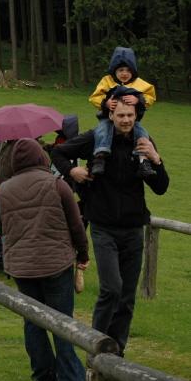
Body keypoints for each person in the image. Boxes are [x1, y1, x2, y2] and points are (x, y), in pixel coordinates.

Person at [51, 93, 169, 357]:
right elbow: (58, 152)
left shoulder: (143, 141)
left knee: (126, 297)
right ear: (111, 115)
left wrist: (156, 159)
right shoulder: (96, 138)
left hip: (134, 227)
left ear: (136, 116)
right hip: (104, 226)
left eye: (130, 115)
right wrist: (72, 171)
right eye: (121, 115)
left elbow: (161, 187)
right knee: (111, 289)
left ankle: (116, 353)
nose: (126, 120)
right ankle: (96, 348)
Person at [0, 138, 90, 381]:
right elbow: (76, 225)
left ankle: (43, 374)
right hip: (56, 264)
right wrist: (83, 254)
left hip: (22, 267)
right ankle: (71, 377)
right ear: (41, 157)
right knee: (62, 323)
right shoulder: (58, 185)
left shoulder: (4, 190)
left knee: (32, 322)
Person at [88, 46, 157, 177]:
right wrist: (106, 102)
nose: (124, 73)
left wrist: (138, 99)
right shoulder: (107, 81)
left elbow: (150, 96)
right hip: (108, 119)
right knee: (102, 131)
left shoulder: (139, 84)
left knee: (142, 134)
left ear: (133, 71)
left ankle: (143, 161)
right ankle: (99, 158)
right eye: (121, 70)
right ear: (114, 70)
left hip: (132, 121)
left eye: (128, 70)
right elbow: (94, 97)